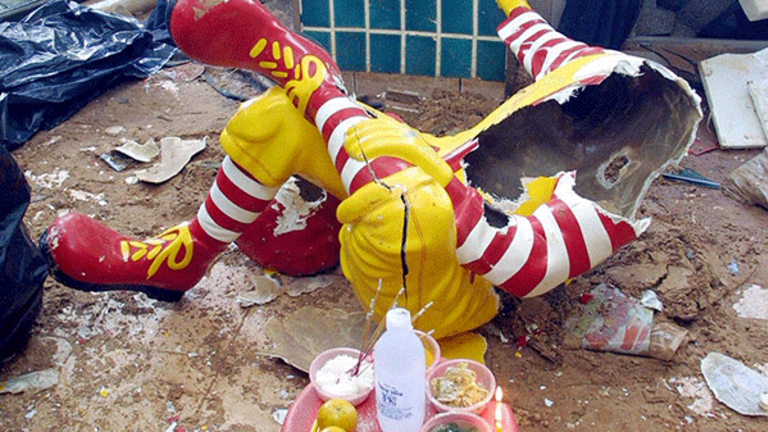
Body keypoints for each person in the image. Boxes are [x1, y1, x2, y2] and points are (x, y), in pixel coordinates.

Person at [39, 0, 700, 338]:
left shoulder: (610, 209)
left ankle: (315, 85)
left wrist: (405, 166)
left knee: (403, 206)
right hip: (435, 160)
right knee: (278, 116)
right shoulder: (594, 70)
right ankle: (183, 259)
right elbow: (532, 31)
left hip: (459, 274)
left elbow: (521, 266)